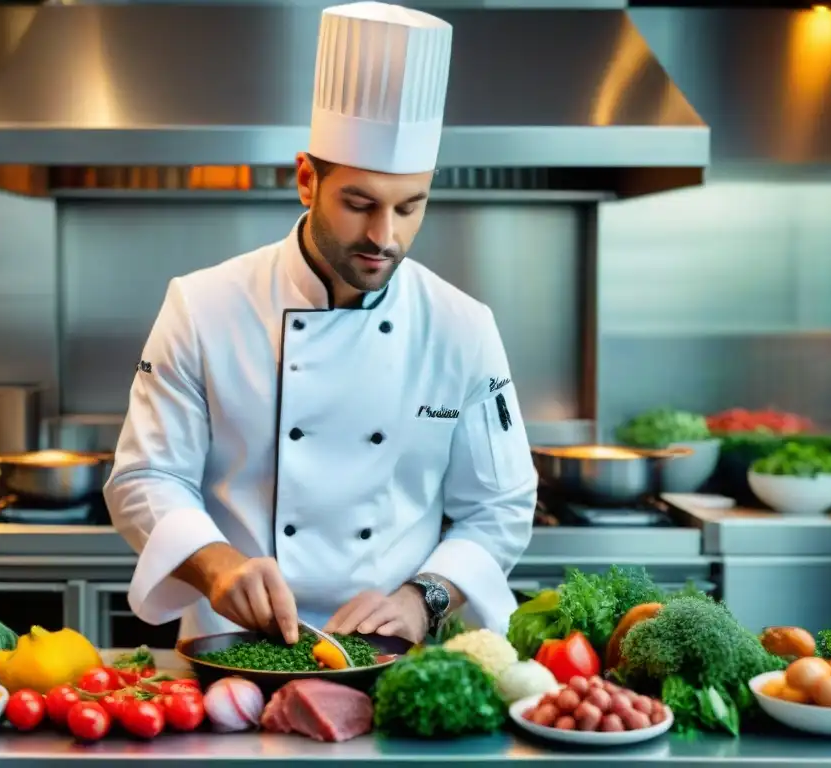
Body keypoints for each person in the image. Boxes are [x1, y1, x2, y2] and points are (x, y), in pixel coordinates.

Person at [104, 1, 537, 646]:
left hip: (397, 659)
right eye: (359, 203)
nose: (384, 237)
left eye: (410, 207)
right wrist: (215, 566)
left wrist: (427, 597)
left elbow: (499, 505)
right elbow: (145, 476)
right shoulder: (203, 307)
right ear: (307, 179)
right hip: (231, 651)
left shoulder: (462, 328)